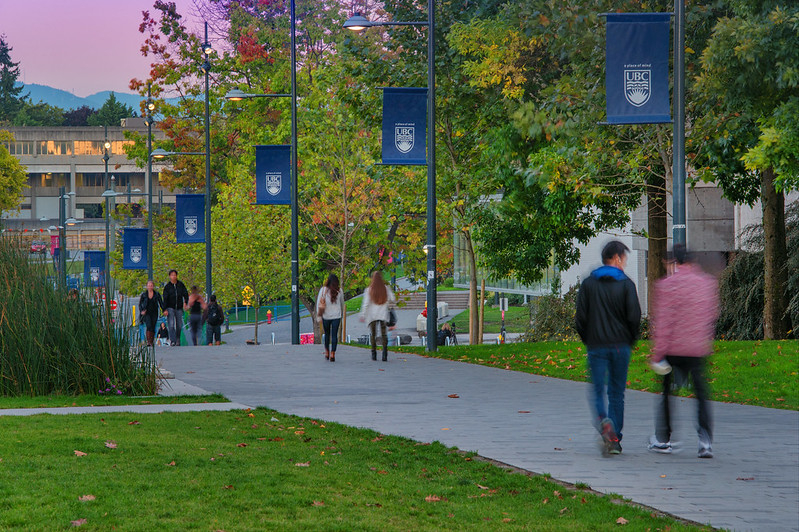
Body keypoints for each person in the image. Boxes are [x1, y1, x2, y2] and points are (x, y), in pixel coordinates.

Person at [649, 244, 719, 458]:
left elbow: (664, 322)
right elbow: (711, 315)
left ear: (674, 262)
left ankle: (664, 439)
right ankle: (705, 440)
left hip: (673, 348)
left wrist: (658, 352)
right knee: (701, 393)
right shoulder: (708, 284)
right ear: (692, 261)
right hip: (697, 348)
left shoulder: (667, 285)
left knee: (667, 392)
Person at [575, 241, 642, 455]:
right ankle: (615, 438)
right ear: (615, 258)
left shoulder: (588, 284)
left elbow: (581, 318)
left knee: (596, 390)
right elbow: (634, 317)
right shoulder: (627, 284)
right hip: (620, 346)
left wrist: (589, 339)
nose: (624, 263)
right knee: (616, 393)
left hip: (596, 345)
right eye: (624, 258)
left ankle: (603, 422)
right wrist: (629, 340)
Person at [360, 271, 395, 362]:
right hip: (383, 314)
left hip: (372, 315)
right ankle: (384, 353)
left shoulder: (369, 290)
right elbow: (393, 299)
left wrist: (363, 314)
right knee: (384, 334)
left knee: (373, 334)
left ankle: (374, 353)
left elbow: (366, 304)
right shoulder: (386, 288)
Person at [317, 273, 344, 362]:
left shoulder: (323, 290)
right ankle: (333, 353)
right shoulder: (339, 291)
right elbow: (342, 303)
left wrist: (319, 315)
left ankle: (327, 352)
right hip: (336, 316)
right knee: (334, 335)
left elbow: (319, 303)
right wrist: (342, 313)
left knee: (327, 335)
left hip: (326, 316)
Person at [162, 269, 189, 346]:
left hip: (179, 307)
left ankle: (177, 339)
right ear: (170, 276)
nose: (173, 276)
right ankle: (173, 340)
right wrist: (164, 309)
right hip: (170, 307)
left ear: (176, 276)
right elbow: (165, 298)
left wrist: (185, 302)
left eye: (175, 275)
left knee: (179, 324)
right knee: (171, 324)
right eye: (172, 275)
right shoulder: (167, 287)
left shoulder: (180, 285)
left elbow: (185, 293)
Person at [138, 280, 165, 347]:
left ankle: (152, 340)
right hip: (147, 312)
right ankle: (148, 341)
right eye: (149, 285)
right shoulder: (144, 295)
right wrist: (142, 311)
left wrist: (164, 310)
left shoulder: (156, 294)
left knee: (153, 326)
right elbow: (140, 304)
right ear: (147, 286)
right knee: (149, 325)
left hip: (154, 312)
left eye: (151, 285)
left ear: (153, 286)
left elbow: (161, 302)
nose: (150, 287)